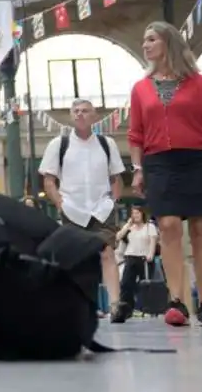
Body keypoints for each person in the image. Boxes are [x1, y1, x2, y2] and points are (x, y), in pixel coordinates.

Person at [128, 20, 202, 328]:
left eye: (151, 39)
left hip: (197, 159)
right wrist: (137, 168)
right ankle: (177, 302)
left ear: (168, 43)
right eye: (144, 40)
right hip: (158, 162)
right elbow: (135, 134)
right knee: (168, 226)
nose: (145, 45)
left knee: (201, 230)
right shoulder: (141, 88)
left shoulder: (200, 83)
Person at [39, 99, 126, 322]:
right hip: (72, 209)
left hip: (102, 209)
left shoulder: (107, 144)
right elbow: (49, 181)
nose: (80, 114)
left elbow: (116, 178)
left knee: (107, 253)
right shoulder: (59, 144)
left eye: (85, 111)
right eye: (75, 111)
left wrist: (112, 202)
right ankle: (76, 306)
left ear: (95, 116)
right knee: (75, 259)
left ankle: (116, 305)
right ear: (70, 116)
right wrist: (60, 203)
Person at [115, 206, 158, 320]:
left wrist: (151, 254)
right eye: (133, 213)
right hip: (130, 257)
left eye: (137, 213)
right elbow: (118, 237)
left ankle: (145, 308)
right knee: (126, 283)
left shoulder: (149, 227)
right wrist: (127, 226)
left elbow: (153, 241)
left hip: (144, 258)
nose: (135, 215)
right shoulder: (130, 227)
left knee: (144, 284)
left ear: (142, 214)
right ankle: (126, 308)